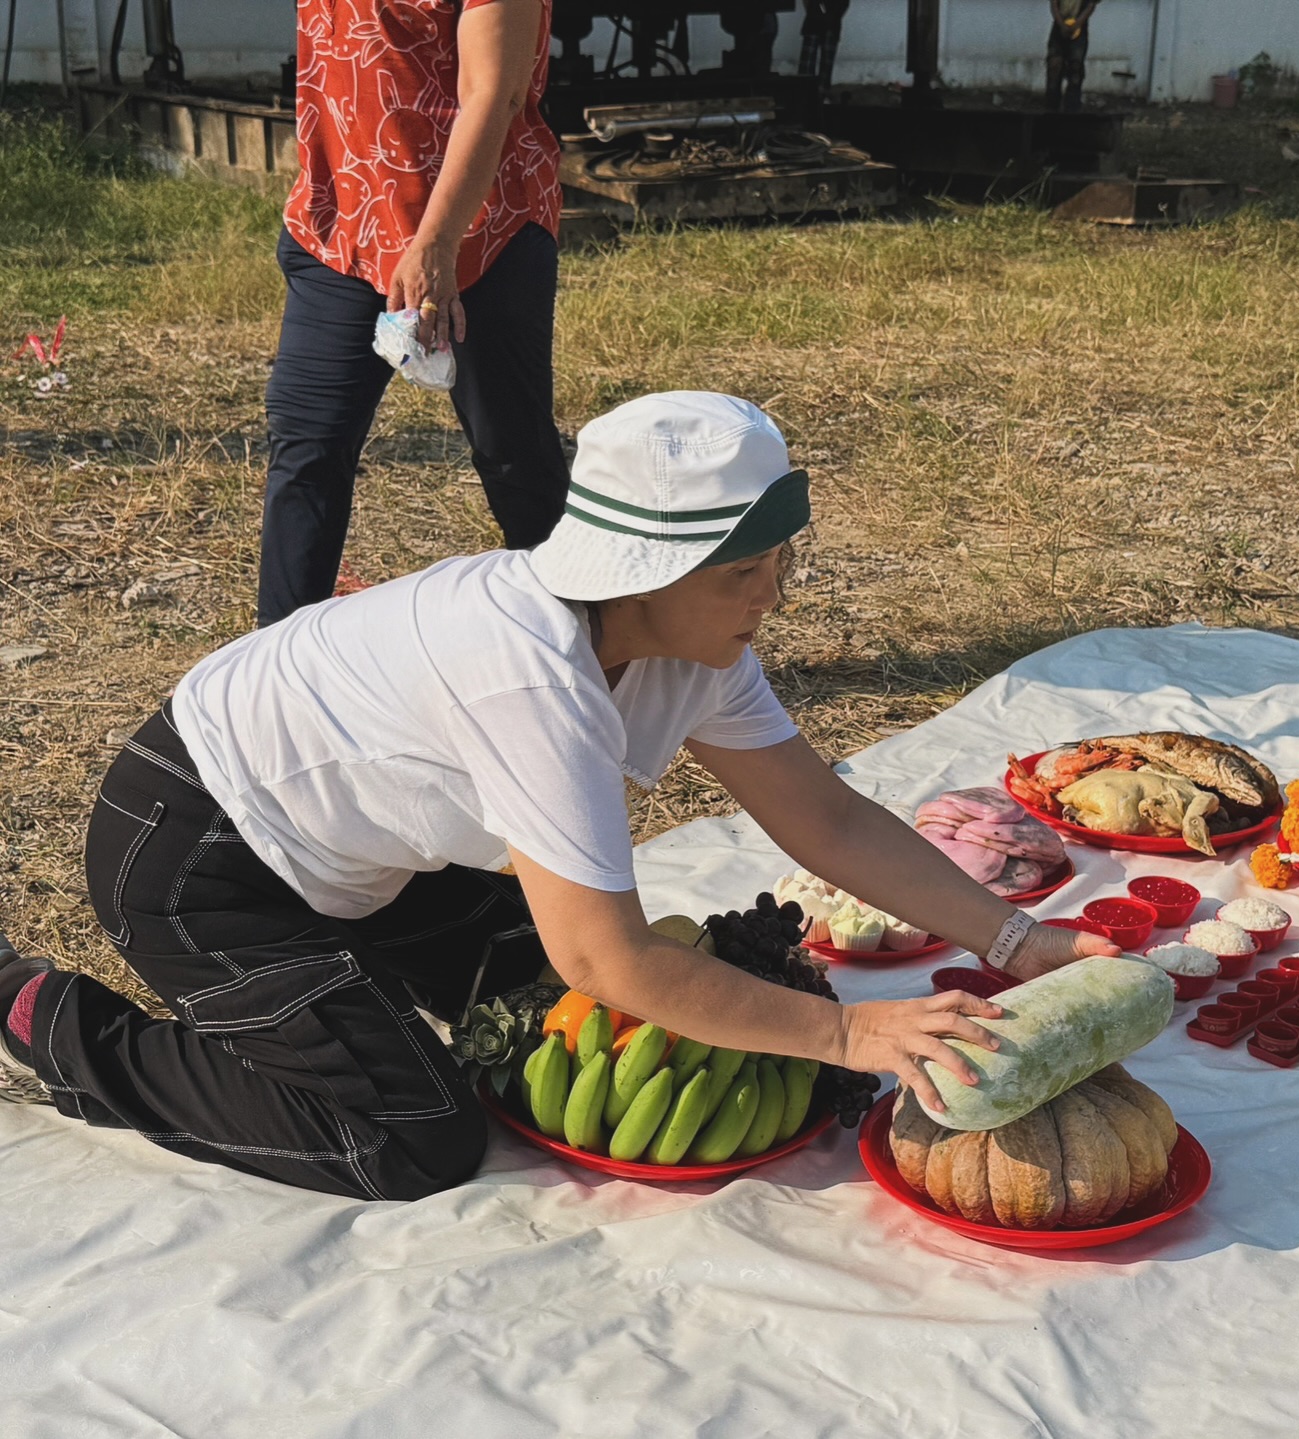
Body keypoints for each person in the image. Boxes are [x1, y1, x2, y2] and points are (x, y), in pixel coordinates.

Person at [0, 393, 1117, 1201]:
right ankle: (53, 1024)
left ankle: (329, 990)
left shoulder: (695, 645)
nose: (772, 593)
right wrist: (845, 1030)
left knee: (555, 1028)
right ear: (642, 568)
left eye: (783, 560)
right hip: (197, 855)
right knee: (412, 1135)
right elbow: (611, 959)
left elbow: (820, 815)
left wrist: (1017, 938)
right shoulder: (528, 670)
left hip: (369, 861)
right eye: (744, 569)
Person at [258, 0, 569, 628]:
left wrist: (436, 243)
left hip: (479, 235)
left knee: (513, 455)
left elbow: (494, 92)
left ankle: (584, 645)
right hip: (342, 223)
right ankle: (275, 666)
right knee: (307, 447)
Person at [1045, 0, 1100, 112]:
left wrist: (1077, 24)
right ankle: (1051, 109)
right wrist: (1061, 24)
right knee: (1054, 65)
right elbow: (1054, 4)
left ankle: (1072, 109)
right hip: (1059, 25)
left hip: (1079, 26)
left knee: (1075, 67)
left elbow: (1091, 5)